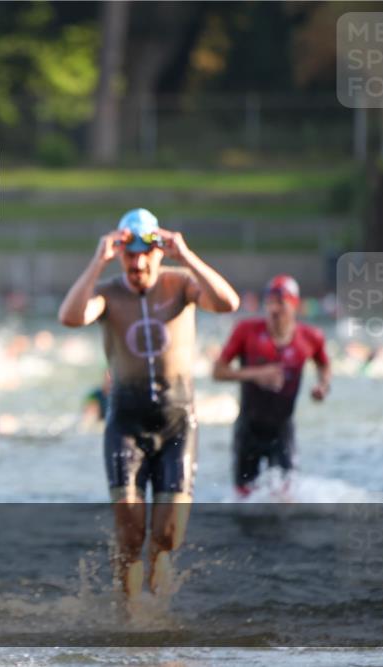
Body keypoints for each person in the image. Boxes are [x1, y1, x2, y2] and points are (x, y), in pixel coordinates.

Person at [57, 208, 239, 600]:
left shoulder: (181, 283)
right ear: (120, 255)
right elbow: (70, 317)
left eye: (145, 254)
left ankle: (158, 597)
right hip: (126, 424)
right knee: (130, 532)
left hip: (177, 422)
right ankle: (129, 613)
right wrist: (97, 261)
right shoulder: (107, 293)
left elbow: (228, 303)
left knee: (168, 535)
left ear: (159, 253)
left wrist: (186, 254)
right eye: (129, 255)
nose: (137, 263)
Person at [213, 275, 330, 497]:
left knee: (286, 499)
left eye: (281, 304)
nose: (274, 310)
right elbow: (217, 372)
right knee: (244, 500)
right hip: (249, 428)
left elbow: (323, 364)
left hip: (282, 431)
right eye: (269, 304)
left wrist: (322, 386)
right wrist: (256, 374)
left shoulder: (311, 337)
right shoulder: (246, 331)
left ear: (294, 305)